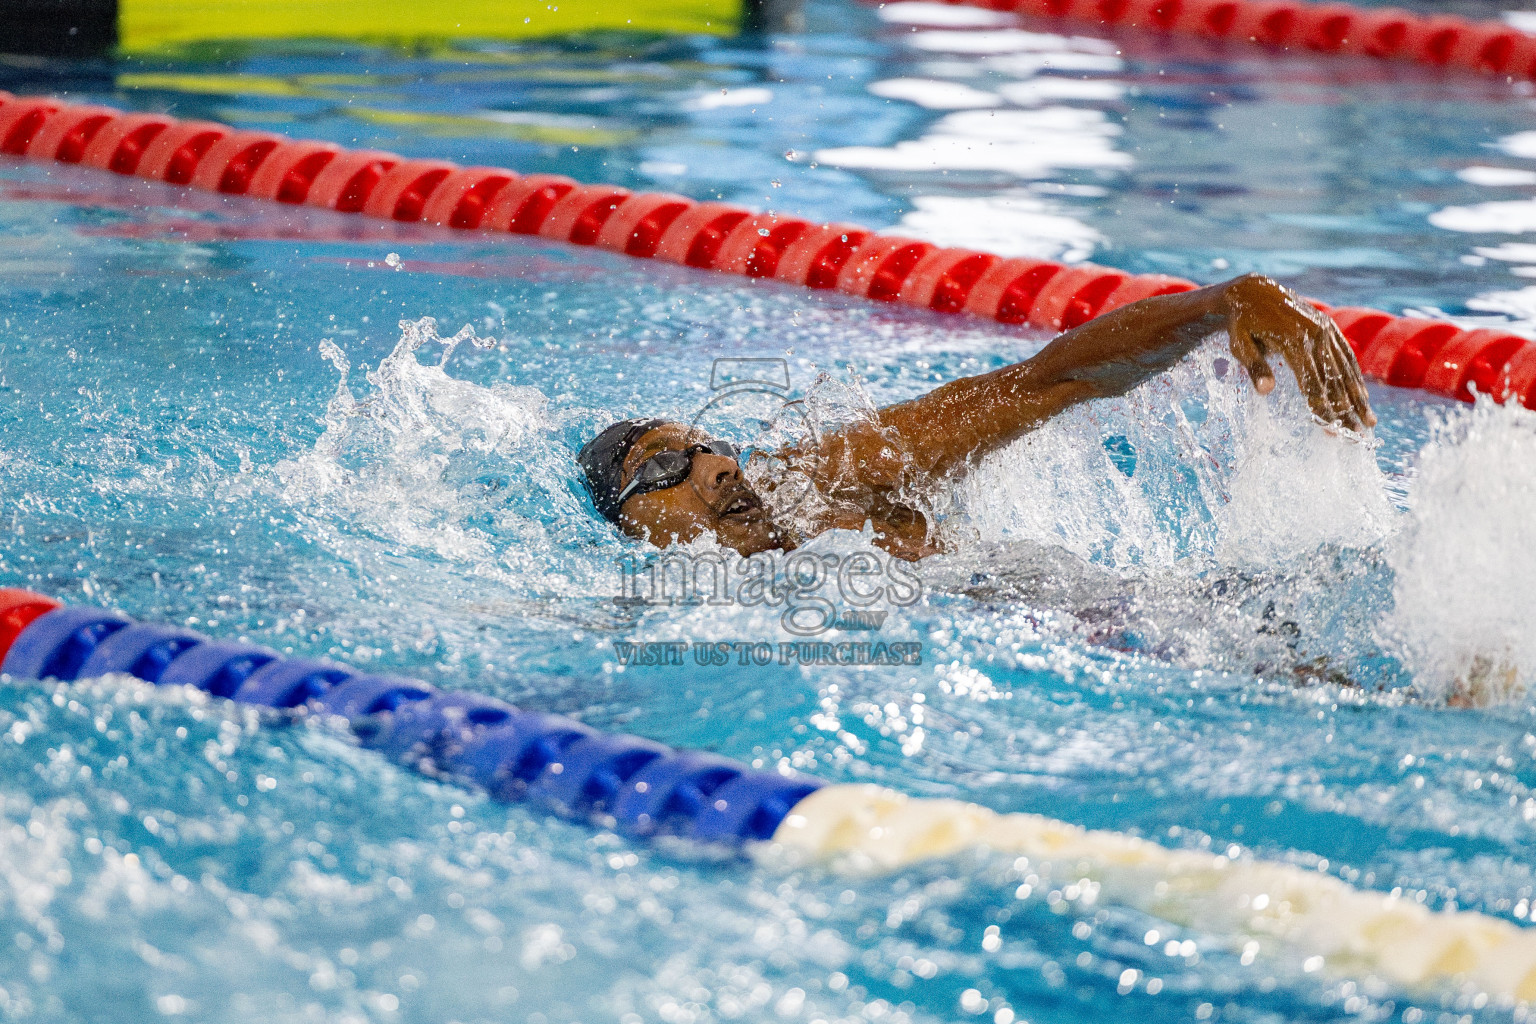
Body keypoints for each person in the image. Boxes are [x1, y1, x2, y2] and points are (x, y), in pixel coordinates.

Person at [578, 273, 1375, 561]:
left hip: (1122, 627)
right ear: (624, 526)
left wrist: (1227, 302)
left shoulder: (830, 479)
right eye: (660, 468)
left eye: (709, 446)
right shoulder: (644, 602)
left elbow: (1045, 383)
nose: (717, 467)